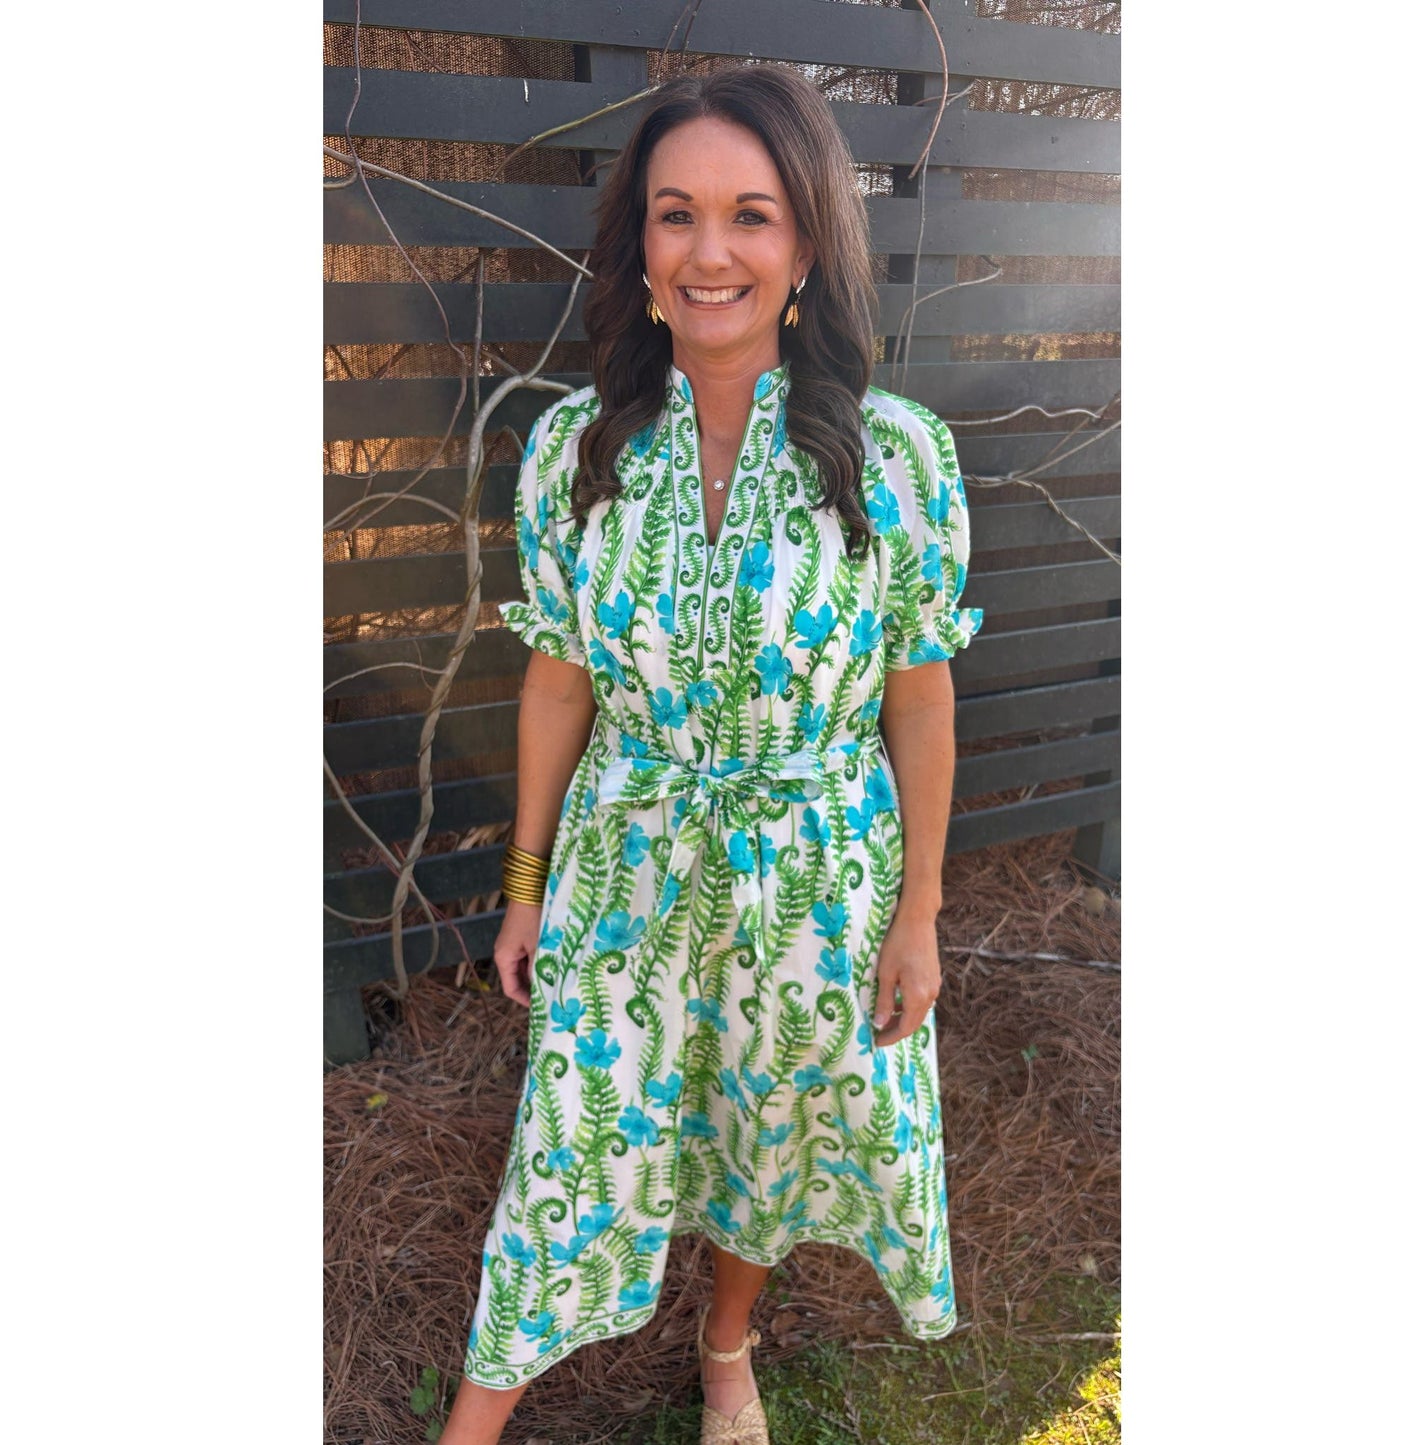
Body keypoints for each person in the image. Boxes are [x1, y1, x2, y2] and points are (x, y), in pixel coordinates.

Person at [438, 63, 983, 1445]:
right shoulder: (576, 449)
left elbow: (916, 701)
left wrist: (917, 911)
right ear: (638, 245)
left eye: (750, 214)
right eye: (674, 216)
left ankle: (727, 1345)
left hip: (819, 864)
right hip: (629, 859)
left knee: (770, 1127)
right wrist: (523, 878)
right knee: (570, 1139)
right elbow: (559, 677)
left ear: (804, 241)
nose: (710, 251)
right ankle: (473, 1421)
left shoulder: (895, 456)